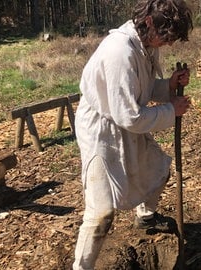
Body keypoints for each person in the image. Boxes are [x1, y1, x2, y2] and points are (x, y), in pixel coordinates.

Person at [72, 0, 193, 269]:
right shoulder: (120, 52)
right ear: (149, 22)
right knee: (100, 213)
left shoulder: (146, 46)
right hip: (101, 131)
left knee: (158, 169)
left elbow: (142, 90)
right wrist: (170, 110)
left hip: (127, 123)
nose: (169, 44)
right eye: (167, 36)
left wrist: (169, 85)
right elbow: (129, 115)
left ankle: (145, 217)